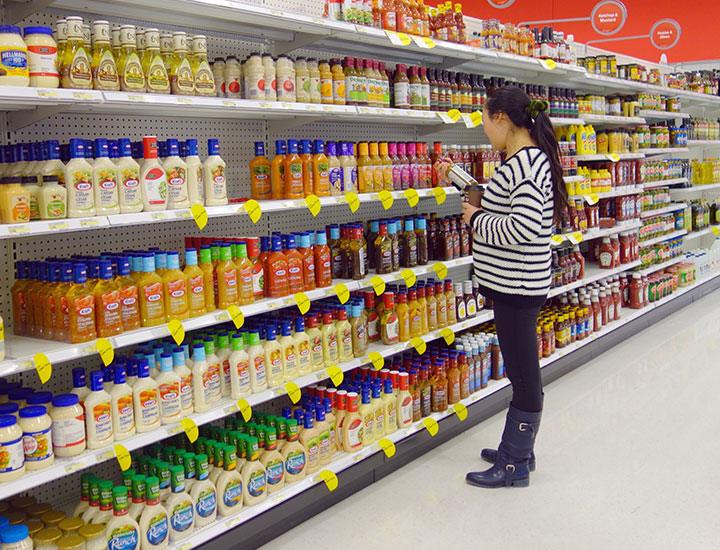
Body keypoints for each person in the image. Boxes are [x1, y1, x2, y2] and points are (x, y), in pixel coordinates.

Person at [436, 85, 568, 488]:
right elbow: (503, 202)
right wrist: (461, 181)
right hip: (512, 283)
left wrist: (475, 220)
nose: (483, 131)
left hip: (519, 285)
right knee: (519, 370)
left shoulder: (525, 164)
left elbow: (525, 227)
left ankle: (514, 464)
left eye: (484, 121)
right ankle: (518, 449)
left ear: (502, 119)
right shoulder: (518, 159)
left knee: (524, 375)